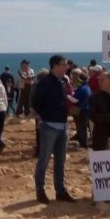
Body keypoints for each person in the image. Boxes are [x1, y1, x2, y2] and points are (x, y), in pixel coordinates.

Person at [32, 55, 75, 204]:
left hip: (63, 127)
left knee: (60, 161)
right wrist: (46, 117)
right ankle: (40, 191)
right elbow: (36, 103)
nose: (66, 67)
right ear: (55, 66)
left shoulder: (63, 81)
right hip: (49, 127)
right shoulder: (45, 82)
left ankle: (60, 191)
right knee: (44, 160)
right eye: (63, 64)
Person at [72, 71, 91, 148]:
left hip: (82, 110)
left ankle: (83, 144)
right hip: (87, 109)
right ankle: (83, 143)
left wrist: (68, 97)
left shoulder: (81, 88)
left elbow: (75, 100)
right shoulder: (87, 87)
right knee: (83, 127)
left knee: (81, 127)